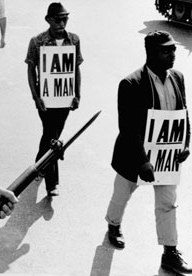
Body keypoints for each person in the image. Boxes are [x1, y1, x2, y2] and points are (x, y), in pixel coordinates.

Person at [105, 31, 191, 274]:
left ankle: (170, 252)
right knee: (122, 195)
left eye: (174, 49)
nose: (173, 54)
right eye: (166, 50)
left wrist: (185, 143)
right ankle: (113, 225)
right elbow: (128, 128)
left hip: (166, 158)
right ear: (151, 53)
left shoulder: (178, 77)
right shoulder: (130, 84)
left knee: (167, 203)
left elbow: (183, 114)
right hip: (133, 156)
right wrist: (142, 161)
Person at [24, 2, 83, 197]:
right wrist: (35, 97)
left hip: (65, 98)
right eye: (58, 19)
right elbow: (31, 70)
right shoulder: (37, 41)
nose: (62, 22)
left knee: (51, 135)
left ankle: (38, 165)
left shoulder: (74, 40)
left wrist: (77, 94)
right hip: (45, 98)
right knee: (53, 138)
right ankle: (52, 183)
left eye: (65, 18)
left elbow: (76, 69)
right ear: (48, 20)